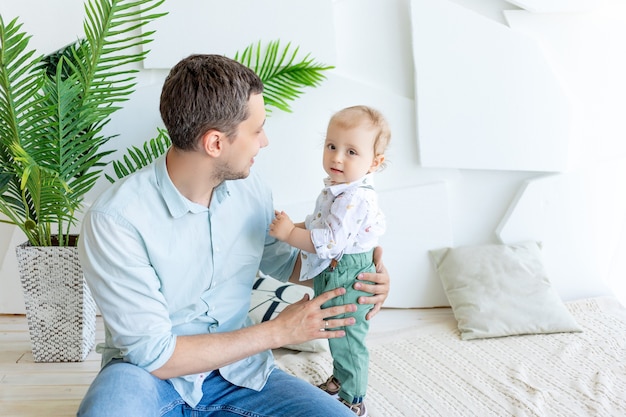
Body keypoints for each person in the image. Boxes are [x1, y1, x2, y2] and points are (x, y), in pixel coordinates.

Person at [76, 54, 390, 417]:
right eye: (257, 130)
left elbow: (290, 262)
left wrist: (361, 273)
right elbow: (155, 355)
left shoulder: (250, 188)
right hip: (146, 378)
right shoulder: (115, 221)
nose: (265, 141)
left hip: (241, 374)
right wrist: (278, 332)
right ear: (214, 143)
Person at [269, 105, 390, 416]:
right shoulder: (338, 190)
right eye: (332, 146)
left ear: (374, 163)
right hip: (338, 268)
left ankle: (354, 398)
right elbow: (317, 225)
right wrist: (292, 226)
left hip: (347, 272)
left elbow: (328, 242)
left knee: (348, 335)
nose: (337, 157)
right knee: (337, 332)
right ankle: (341, 377)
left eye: (351, 151)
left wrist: (286, 235)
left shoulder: (355, 198)